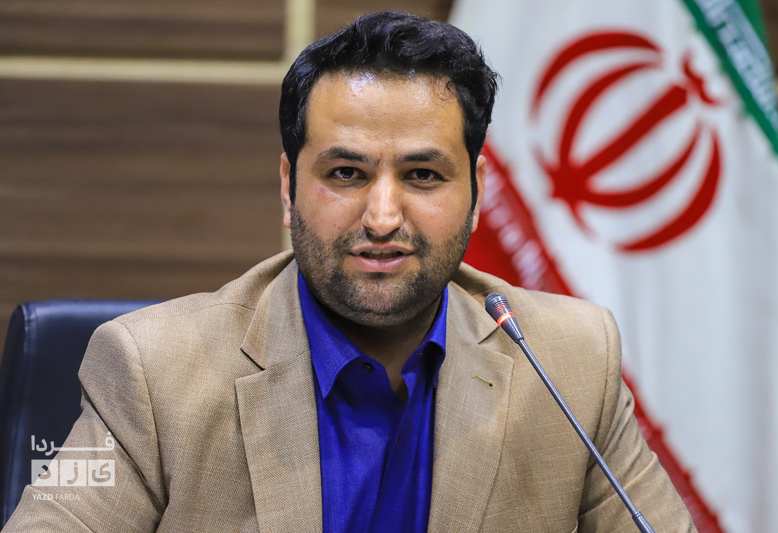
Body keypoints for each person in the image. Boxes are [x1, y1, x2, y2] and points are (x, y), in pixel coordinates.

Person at [3, 11, 695, 533]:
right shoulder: (153, 372)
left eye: (423, 175)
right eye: (345, 173)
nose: (383, 217)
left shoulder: (569, 363)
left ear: (478, 192)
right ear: (288, 186)